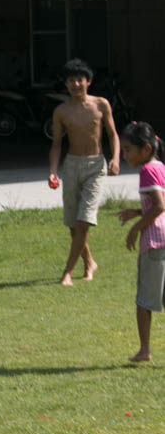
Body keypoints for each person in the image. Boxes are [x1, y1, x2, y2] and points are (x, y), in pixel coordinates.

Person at [48, 58, 120, 287]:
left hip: (95, 167)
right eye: (71, 81)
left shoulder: (101, 104)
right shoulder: (61, 111)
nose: (75, 84)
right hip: (71, 166)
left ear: (88, 81)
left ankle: (67, 273)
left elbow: (113, 134)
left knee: (83, 221)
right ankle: (89, 262)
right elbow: (57, 144)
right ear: (66, 84)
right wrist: (53, 172)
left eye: (80, 80)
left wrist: (116, 159)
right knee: (72, 223)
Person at [116, 121, 165, 363]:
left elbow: (159, 206)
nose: (124, 155)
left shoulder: (147, 171)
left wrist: (136, 229)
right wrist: (136, 212)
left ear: (145, 149)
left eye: (127, 149)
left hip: (155, 244)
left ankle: (145, 350)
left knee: (144, 299)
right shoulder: (161, 167)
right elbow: (155, 205)